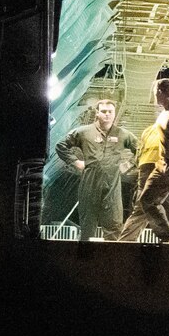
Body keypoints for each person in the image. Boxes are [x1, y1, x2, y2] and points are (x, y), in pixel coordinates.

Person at [113, 78, 169, 243]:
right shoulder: (164, 114)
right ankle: (168, 236)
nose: (154, 95)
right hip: (163, 166)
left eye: (155, 92)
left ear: (160, 92)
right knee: (147, 199)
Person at [53, 98, 137, 236]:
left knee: (114, 225)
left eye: (110, 111)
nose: (107, 114)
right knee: (88, 224)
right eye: (103, 111)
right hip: (89, 183)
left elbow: (141, 149)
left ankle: (111, 256)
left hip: (112, 184)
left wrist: (128, 165)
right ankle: (86, 256)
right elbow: (61, 145)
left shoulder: (123, 134)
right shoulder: (84, 132)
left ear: (114, 113)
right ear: (97, 113)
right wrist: (76, 162)